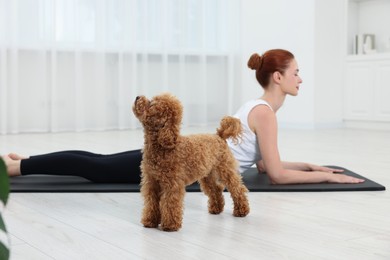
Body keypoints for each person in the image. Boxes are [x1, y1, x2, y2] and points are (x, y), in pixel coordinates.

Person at [3, 49, 364, 184]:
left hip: (189, 155)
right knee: (98, 169)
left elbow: (270, 166)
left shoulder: (258, 107)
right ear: (278, 77)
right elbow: (277, 174)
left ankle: (26, 161)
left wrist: (312, 165)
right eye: (296, 71)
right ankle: (17, 167)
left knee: (101, 163)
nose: (301, 78)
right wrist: (327, 178)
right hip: (185, 164)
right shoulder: (266, 114)